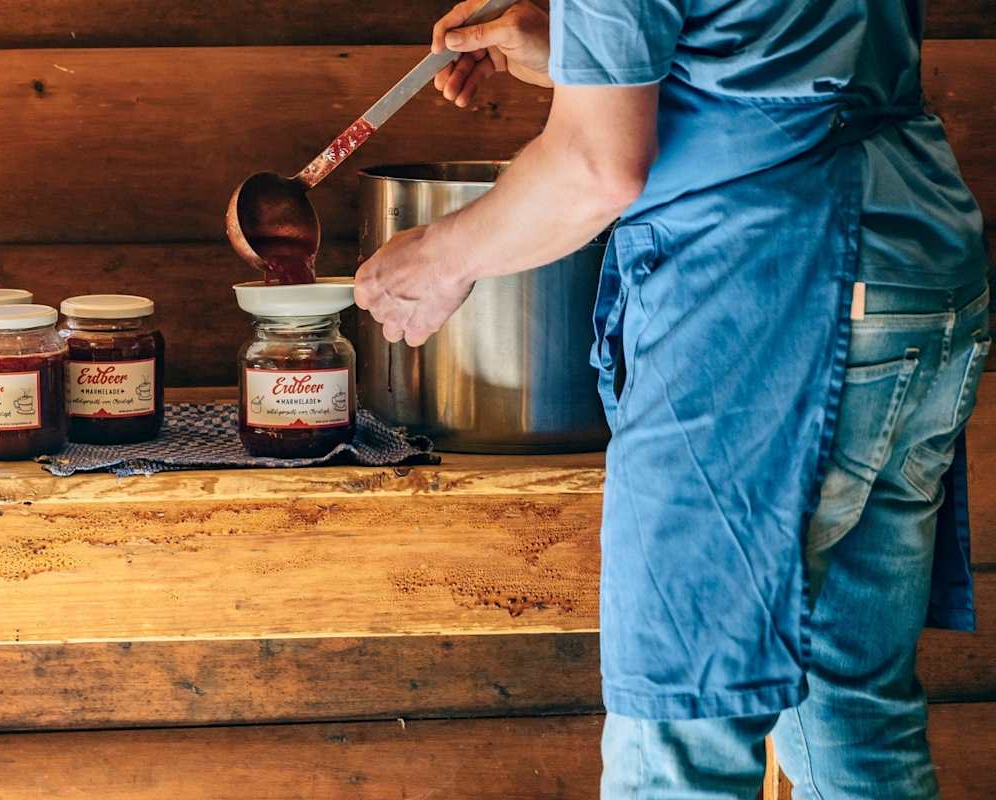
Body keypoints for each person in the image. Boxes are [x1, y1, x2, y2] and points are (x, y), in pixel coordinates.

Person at [354, 1, 991, 797]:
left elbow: (597, 166)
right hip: (915, 262)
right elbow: (779, 64)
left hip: (761, 300)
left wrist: (438, 259)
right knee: (849, 716)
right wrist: (581, 56)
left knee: (677, 749)